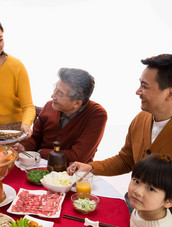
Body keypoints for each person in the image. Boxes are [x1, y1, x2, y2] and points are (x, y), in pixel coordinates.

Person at [66, 54, 172, 212]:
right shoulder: (141, 119)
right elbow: (125, 160)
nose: (138, 91)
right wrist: (91, 167)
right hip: (133, 204)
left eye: (145, 86)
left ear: (169, 93)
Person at [13, 68, 107, 164]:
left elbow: (77, 156)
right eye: (55, 89)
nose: (52, 95)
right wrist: (24, 147)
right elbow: (35, 138)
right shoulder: (49, 105)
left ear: (77, 103)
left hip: (73, 173)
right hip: (41, 166)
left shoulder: (97, 115)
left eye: (60, 93)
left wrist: (41, 152)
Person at [128, 154, 172, 226]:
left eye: (151, 189)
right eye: (136, 181)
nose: (137, 192)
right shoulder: (143, 206)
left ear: (168, 202)